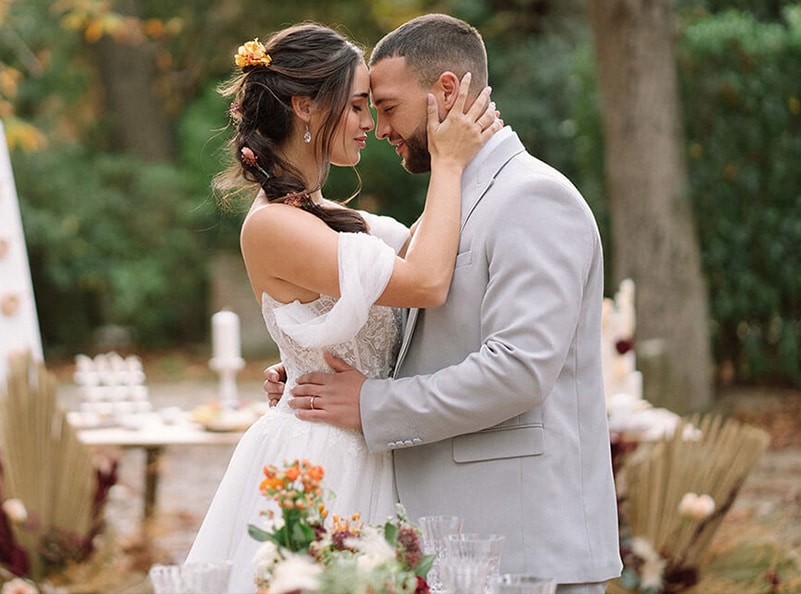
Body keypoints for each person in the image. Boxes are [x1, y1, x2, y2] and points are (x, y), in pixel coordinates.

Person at [266, 14, 623, 594]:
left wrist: (370, 404)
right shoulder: (453, 202)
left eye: (386, 106)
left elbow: (519, 369)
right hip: (458, 543)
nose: (379, 127)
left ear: (448, 92)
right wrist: (313, 368)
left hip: (524, 545)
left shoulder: (532, 197)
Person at [185, 22, 500, 593]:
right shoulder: (274, 225)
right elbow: (426, 281)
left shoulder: (328, 215)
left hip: (376, 444)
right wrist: (449, 164)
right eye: (356, 106)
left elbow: (417, 257)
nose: (369, 123)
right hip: (325, 461)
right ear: (305, 107)